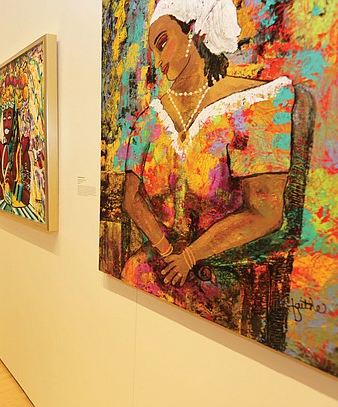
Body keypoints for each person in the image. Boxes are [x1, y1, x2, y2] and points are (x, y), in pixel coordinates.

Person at [121, 0, 297, 330]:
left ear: (195, 31)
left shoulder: (255, 105)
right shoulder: (148, 122)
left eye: (163, 43)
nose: (159, 62)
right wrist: (168, 250)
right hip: (154, 271)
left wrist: (191, 256)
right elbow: (131, 199)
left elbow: (266, 212)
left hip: (226, 281)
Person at [0, 103, 31, 208]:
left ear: (16, 122)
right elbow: (2, 195)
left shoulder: (22, 151)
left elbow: (26, 199)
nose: (6, 124)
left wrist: (13, 186)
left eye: (9, 118)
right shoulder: (4, 149)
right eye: (4, 119)